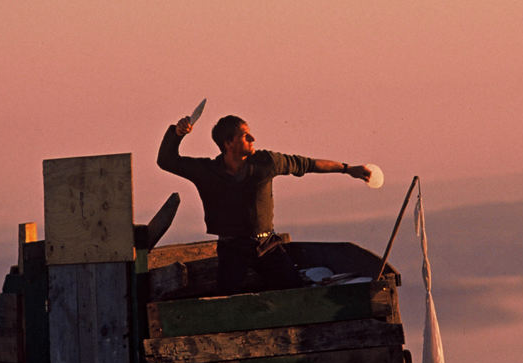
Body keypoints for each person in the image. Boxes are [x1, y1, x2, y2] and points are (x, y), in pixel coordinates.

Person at [157, 113, 371, 294]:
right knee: (227, 303)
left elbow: (306, 164)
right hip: (232, 250)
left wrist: (347, 169)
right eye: (244, 135)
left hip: (267, 246)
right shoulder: (207, 171)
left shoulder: (266, 162)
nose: (253, 138)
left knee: (294, 293)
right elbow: (166, 161)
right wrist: (177, 134)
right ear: (228, 143)